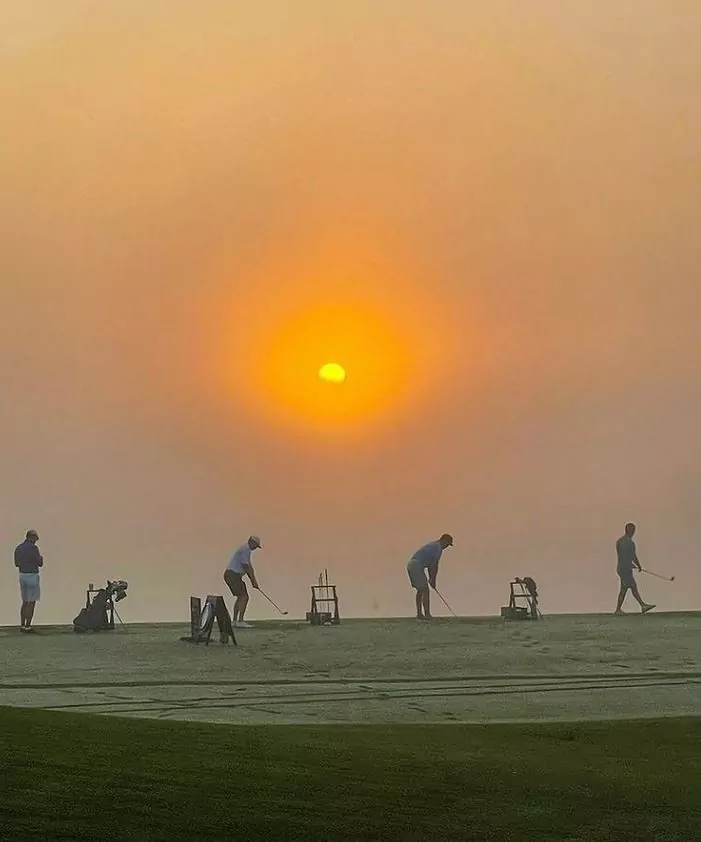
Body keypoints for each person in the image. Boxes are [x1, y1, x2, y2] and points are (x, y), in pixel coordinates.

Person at [407, 533, 454, 620]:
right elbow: (434, 566)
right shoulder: (438, 548)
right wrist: (433, 580)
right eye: (447, 544)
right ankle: (427, 614)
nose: (446, 547)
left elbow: (430, 565)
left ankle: (420, 614)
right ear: (444, 540)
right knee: (425, 590)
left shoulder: (434, 545)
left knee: (420, 590)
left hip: (411, 564)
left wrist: (431, 579)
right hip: (416, 565)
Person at [615, 523, 655, 614]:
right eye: (633, 530)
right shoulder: (630, 543)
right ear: (631, 531)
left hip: (620, 568)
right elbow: (633, 556)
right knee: (632, 586)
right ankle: (643, 605)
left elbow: (621, 556)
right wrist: (638, 565)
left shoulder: (619, 541)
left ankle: (618, 609)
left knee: (624, 589)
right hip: (625, 569)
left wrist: (629, 564)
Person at [224, 536, 262, 628]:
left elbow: (250, 567)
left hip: (232, 575)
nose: (255, 548)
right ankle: (240, 621)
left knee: (241, 597)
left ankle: (235, 621)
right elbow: (246, 566)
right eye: (255, 545)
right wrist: (252, 580)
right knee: (244, 597)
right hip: (233, 575)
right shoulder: (245, 549)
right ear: (251, 542)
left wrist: (254, 581)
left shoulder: (247, 550)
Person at [14, 529, 43, 633]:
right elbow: (39, 563)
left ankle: (22, 625)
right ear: (32, 537)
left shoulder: (18, 548)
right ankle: (28, 626)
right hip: (32, 575)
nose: (36, 540)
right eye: (35, 538)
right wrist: (41, 558)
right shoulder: (34, 548)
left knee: (25, 601)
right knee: (31, 602)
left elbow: (16, 563)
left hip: (22, 575)